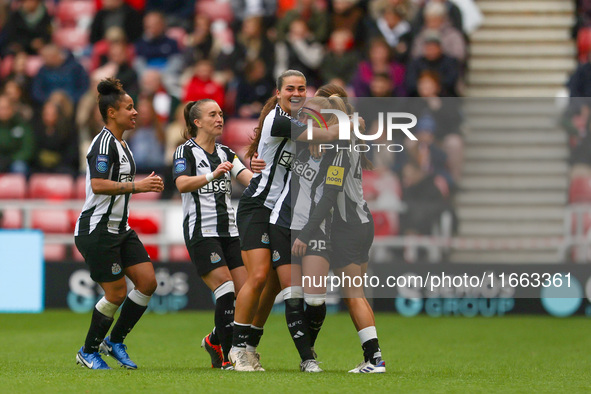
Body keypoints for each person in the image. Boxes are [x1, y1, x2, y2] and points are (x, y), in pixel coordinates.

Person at [229, 69, 340, 372]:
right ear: (278, 93)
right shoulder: (277, 120)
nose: (296, 93)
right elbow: (327, 133)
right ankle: (235, 348)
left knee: (274, 284)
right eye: (290, 88)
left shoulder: (298, 122)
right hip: (256, 207)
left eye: (301, 88)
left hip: (278, 211)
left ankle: (249, 345)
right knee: (260, 275)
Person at [74, 78, 164, 370]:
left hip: (119, 228)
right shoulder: (102, 143)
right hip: (97, 229)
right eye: (129, 107)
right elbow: (99, 185)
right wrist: (139, 187)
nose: (135, 112)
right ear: (112, 112)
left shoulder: (122, 143)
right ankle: (88, 350)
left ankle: (114, 341)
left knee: (148, 282)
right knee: (116, 293)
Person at [296, 83, 386, 373]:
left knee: (353, 295)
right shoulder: (353, 137)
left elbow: (330, 194)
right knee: (356, 293)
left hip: (348, 227)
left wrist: (307, 232)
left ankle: (374, 360)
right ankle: (373, 357)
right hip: (364, 222)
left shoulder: (339, 146)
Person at [172, 99, 265, 370]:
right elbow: (181, 184)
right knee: (225, 289)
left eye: (221, 114)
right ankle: (228, 356)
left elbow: (248, 180)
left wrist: (263, 172)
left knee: (246, 292)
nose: (219, 118)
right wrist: (212, 175)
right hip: (202, 231)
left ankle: (215, 338)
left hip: (230, 232)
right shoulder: (185, 152)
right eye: (213, 114)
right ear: (197, 122)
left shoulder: (226, 152)